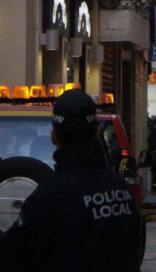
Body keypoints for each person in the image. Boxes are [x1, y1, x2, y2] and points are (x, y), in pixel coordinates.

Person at [0, 89, 143, 272]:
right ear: (97, 131)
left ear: (54, 135)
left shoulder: (49, 198)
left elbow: (12, 256)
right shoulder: (121, 190)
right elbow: (135, 249)